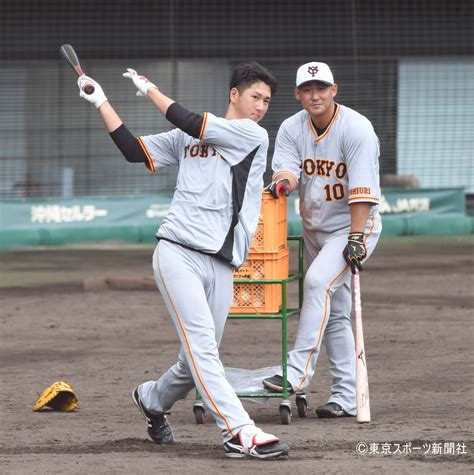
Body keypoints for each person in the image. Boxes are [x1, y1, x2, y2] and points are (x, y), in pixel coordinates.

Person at [77, 62, 289, 458]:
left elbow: (193, 122)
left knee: (195, 358)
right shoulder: (187, 136)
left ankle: (152, 398)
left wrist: (149, 90)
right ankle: (239, 431)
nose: (261, 106)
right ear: (234, 94)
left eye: (266, 100)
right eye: (254, 96)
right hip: (177, 251)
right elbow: (133, 151)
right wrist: (101, 101)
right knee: (203, 351)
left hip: (222, 264)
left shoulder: (251, 134)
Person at [263, 61, 382, 418]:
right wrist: (283, 182)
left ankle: (296, 372)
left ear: (334, 90)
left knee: (316, 283)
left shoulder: (357, 129)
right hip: (316, 228)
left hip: (353, 225)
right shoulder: (290, 128)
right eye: (308, 89)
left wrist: (357, 237)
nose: (315, 95)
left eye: (322, 88)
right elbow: (286, 169)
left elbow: (362, 193)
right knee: (335, 314)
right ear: (298, 94)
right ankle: (346, 397)